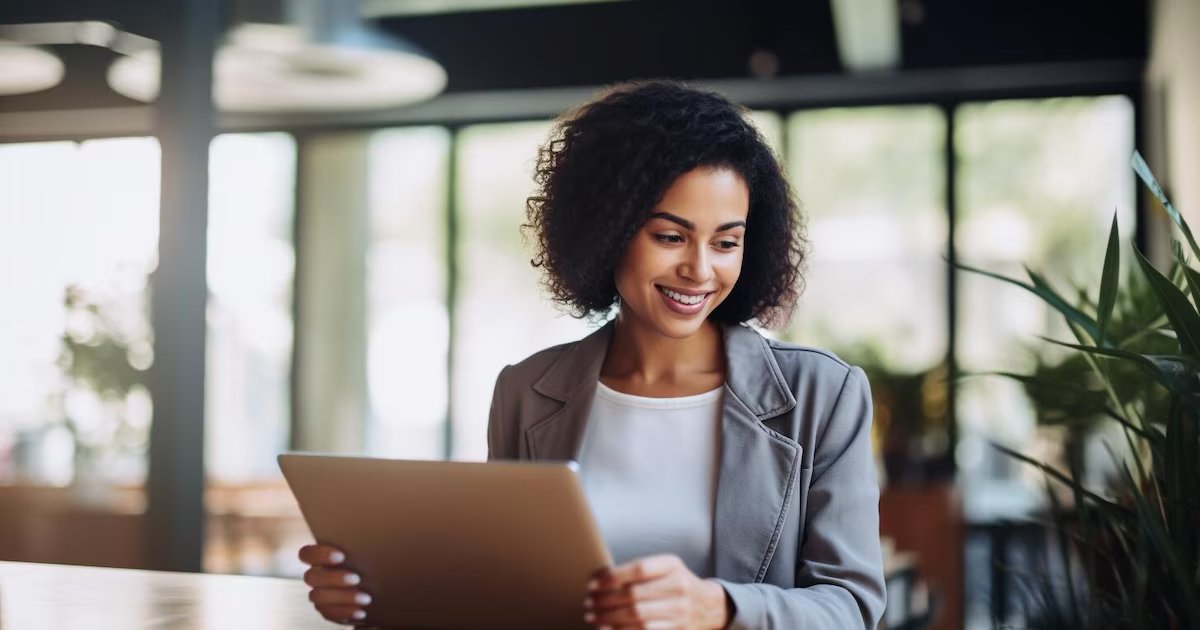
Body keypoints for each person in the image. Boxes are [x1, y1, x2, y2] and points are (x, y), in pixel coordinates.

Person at [299, 79, 885, 629]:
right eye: (670, 236)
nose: (700, 270)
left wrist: (718, 608)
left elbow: (852, 606)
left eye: (726, 242)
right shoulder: (527, 392)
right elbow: (505, 593)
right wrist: (377, 597)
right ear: (608, 230)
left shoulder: (821, 395)